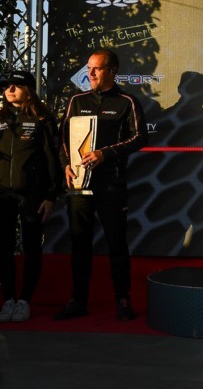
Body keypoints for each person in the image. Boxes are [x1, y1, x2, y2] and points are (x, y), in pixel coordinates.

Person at [55, 49, 148, 321]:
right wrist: (66, 165)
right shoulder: (77, 100)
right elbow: (63, 139)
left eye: (96, 68)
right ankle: (78, 300)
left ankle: (123, 300)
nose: (91, 73)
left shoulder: (126, 101)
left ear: (112, 71)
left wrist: (105, 153)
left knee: (116, 243)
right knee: (79, 243)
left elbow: (140, 137)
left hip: (111, 184)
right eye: (89, 68)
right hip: (79, 183)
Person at [0, 71, 61, 322]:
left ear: (29, 89)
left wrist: (52, 195)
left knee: (32, 247)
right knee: (3, 248)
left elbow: (53, 159)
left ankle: (25, 299)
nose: (9, 89)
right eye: (6, 86)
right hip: (3, 193)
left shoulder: (43, 119)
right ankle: (8, 299)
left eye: (16, 85)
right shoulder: (0, 117)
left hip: (34, 193)